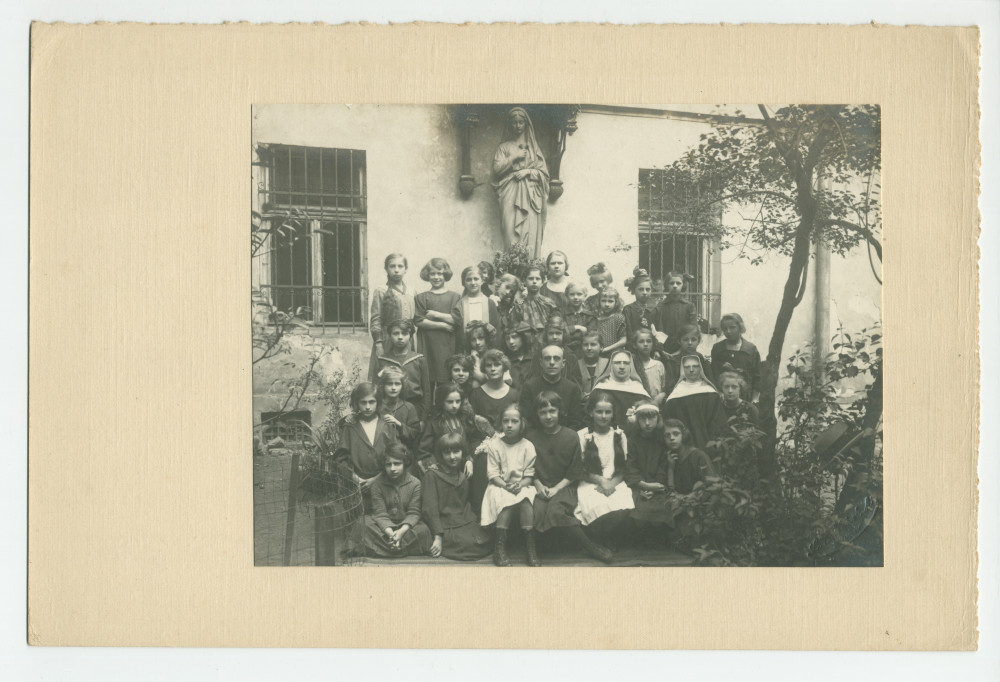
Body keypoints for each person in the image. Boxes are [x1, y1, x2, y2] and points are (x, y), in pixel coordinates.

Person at [526, 392, 613, 562]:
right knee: (536, 511)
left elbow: (575, 470)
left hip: (565, 486)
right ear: (537, 414)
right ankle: (532, 550)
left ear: (560, 412)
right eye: (543, 412)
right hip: (541, 486)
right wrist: (537, 484)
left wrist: (557, 488)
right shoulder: (531, 438)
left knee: (556, 510)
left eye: (552, 411)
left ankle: (590, 546)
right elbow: (529, 468)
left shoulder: (571, 436)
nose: (548, 416)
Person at [478, 404, 540, 566]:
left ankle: (530, 548)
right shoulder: (495, 445)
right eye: (506, 421)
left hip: (522, 485)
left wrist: (520, 484)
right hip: (499, 485)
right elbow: (492, 474)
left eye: (514, 421)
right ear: (500, 424)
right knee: (505, 502)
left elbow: (529, 475)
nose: (510, 425)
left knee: (526, 501)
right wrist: (506, 486)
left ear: (522, 424)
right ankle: (499, 549)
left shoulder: (527, 446)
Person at [421, 433, 493, 561]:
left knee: (485, 540)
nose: (452, 457)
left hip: (463, 521)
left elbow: (464, 505)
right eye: (447, 453)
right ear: (441, 455)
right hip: (444, 525)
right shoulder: (432, 475)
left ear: (462, 452)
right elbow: (429, 509)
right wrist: (438, 536)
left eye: (456, 451)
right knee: (466, 545)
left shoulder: (462, 476)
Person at [468, 349, 521, 514]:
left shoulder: (514, 394)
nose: (492, 369)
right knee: (484, 460)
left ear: (504, 367)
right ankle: (481, 513)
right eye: (488, 365)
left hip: (509, 440)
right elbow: (471, 427)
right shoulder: (476, 394)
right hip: (482, 442)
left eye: (496, 365)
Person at [492, 106, 550, 256]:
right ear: (509, 125)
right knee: (510, 232)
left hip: (531, 196)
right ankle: (511, 268)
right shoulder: (503, 147)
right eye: (514, 122)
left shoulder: (534, 149)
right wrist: (514, 157)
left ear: (526, 124)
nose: (517, 126)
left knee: (529, 234)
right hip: (510, 192)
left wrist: (528, 171)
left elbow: (544, 175)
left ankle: (531, 270)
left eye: (520, 122)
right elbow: (497, 170)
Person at [334, 383, 401, 512]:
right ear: (356, 403)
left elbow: (396, 455)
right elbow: (341, 458)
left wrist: (376, 479)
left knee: (385, 519)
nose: (368, 407)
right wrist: (356, 479)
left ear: (378, 402)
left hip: (384, 482)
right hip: (357, 486)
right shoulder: (349, 426)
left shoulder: (387, 424)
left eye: (372, 402)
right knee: (360, 521)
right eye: (363, 403)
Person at [575, 391, 636, 531]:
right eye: (599, 412)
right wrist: (601, 481)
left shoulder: (619, 435)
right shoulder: (582, 435)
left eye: (608, 412)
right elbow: (581, 469)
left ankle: (610, 536)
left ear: (613, 413)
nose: (603, 416)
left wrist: (611, 484)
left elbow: (625, 466)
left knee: (620, 504)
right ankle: (599, 537)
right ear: (591, 412)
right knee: (597, 504)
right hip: (591, 481)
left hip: (616, 480)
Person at [363, 442, 433, 558]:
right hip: (384, 528)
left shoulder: (415, 483)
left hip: (406, 527)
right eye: (388, 464)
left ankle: (386, 548)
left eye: (397, 464)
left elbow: (414, 513)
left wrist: (400, 533)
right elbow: (379, 514)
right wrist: (391, 534)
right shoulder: (377, 485)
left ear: (405, 464)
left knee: (424, 531)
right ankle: (400, 547)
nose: (392, 469)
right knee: (364, 524)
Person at [624, 401, 674, 540]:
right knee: (637, 508)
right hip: (638, 484)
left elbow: (663, 467)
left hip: (657, 485)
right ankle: (640, 538)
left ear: (658, 419)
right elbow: (630, 466)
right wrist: (643, 485)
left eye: (651, 418)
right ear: (637, 420)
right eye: (642, 418)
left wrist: (654, 487)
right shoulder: (631, 441)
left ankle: (655, 538)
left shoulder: (662, 441)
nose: (647, 423)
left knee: (660, 507)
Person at [662, 355, 727, 449]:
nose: (691, 370)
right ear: (682, 369)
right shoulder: (675, 397)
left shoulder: (711, 393)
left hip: (711, 444)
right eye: (687, 367)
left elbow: (718, 422)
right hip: (686, 448)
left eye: (695, 366)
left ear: (700, 368)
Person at [414, 258, 461, 386]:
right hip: (428, 344)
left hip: (447, 344)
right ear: (427, 275)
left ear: (445, 274)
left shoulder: (455, 297)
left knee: (445, 379)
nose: (436, 277)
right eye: (432, 274)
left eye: (439, 273)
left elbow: (456, 319)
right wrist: (443, 325)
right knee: (427, 380)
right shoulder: (421, 297)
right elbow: (419, 321)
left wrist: (436, 315)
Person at [368, 253, 415, 382]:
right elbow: (376, 319)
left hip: (407, 340)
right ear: (386, 269)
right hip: (388, 340)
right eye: (392, 266)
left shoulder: (412, 291)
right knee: (386, 375)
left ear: (406, 269)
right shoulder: (381, 290)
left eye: (400, 266)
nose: (396, 270)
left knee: (407, 374)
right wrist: (379, 344)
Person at [417, 383, 480, 475]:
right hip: (441, 469)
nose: (455, 406)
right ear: (441, 402)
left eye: (458, 401)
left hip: (462, 469)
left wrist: (469, 460)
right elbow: (424, 452)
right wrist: (434, 467)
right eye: (450, 402)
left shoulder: (463, 419)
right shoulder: (434, 423)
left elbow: (468, 446)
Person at [373, 319, 431, 418]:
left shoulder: (419, 359)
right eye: (396, 333)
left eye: (404, 334)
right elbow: (375, 388)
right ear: (389, 336)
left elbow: (426, 391)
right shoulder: (382, 360)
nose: (400, 337)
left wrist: (423, 418)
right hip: (389, 408)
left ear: (410, 336)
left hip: (414, 407)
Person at [519, 345, 585, 430]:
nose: (552, 362)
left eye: (556, 359)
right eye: (547, 358)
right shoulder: (529, 387)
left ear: (563, 363)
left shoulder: (572, 388)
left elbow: (576, 422)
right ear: (541, 363)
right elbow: (526, 421)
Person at [592, 349, 652, 428]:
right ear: (611, 365)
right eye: (617, 363)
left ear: (631, 365)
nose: (622, 367)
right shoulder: (600, 388)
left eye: (626, 363)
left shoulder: (639, 390)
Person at [710, 313, 761, 402]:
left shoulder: (750, 349)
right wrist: (718, 393)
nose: (728, 331)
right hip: (723, 398)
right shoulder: (717, 349)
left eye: (732, 327)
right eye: (725, 328)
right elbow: (714, 374)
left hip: (745, 398)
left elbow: (757, 377)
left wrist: (755, 398)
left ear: (740, 328)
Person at [453, 265, 501, 354]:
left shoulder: (489, 303)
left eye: (476, 279)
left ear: (482, 281)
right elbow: (457, 334)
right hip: (466, 351)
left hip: (487, 352)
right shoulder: (460, 304)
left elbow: (496, 330)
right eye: (468, 279)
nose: (472, 282)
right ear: (464, 282)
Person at [663, 418, 716, 494]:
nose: (671, 438)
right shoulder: (668, 458)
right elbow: (670, 491)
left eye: (676, 434)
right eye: (667, 435)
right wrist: (671, 468)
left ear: (683, 435)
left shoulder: (698, 456)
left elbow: (711, 484)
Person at [377, 367, 421, 450]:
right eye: (389, 384)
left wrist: (399, 424)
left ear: (402, 386)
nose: (393, 388)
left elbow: (415, 434)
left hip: (402, 452)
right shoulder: (376, 406)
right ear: (383, 386)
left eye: (397, 384)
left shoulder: (409, 407)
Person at [662, 323, 712, 397]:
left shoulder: (704, 362)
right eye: (685, 340)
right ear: (679, 341)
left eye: (693, 339)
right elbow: (670, 388)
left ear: (699, 341)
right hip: (680, 397)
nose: (690, 343)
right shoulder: (673, 362)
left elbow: (711, 383)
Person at [529, 317, 582, 385]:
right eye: (551, 333)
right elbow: (532, 380)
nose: (554, 337)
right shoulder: (539, 355)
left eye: (558, 333)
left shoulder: (571, 356)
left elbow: (577, 383)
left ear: (564, 334)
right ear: (546, 335)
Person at [656, 271, 697, 353]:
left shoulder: (689, 306)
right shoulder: (661, 306)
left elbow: (693, 329)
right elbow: (659, 330)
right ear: (667, 285)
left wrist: (684, 347)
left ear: (683, 285)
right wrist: (660, 350)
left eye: (678, 283)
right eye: (671, 283)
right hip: (666, 348)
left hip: (685, 347)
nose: (675, 286)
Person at [622, 266, 662, 346]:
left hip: (651, 349)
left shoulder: (655, 309)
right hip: (634, 349)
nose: (644, 292)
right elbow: (628, 333)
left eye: (648, 289)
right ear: (633, 290)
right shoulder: (628, 310)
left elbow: (660, 332)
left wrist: (658, 350)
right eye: (641, 289)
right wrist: (632, 350)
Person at [633, 328, 667, 406]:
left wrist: (661, 396)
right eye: (641, 341)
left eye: (648, 341)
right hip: (637, 404)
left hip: (656, 404)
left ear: (653, 343)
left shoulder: (658, 365)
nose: (645, 344)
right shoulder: (632, 364)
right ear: (635, 345)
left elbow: (664, 388)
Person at [522, 264, 559, 333]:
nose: (534, 281)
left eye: (538, 279)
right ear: (524, 281)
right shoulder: (519, 305)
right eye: (530, 278)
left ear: (542, 282)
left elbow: (555, 326)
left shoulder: (549, 303)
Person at [563, 280, 597, 356]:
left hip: (583, 352)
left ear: (585, 296)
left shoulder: (590, 316)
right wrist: (576, 327)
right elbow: (560, 334)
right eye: (572, 294)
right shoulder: (561, 314)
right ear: (566, 296)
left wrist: (568, 331)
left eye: (579, 294)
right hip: (564, 351)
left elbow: (590, 336)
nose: (575, 297)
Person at [576, 331, 609, 403]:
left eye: (593, 344)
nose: (589, 348)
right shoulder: (576, 365)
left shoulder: (608, 364)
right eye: (585, 345)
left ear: (601, 347)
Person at [594, 285, 627, 356]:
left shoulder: (618, 318)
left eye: (610, 301)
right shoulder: (595, 318)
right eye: (603, 301)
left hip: (615, 354)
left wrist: (606, 349)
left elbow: (624, 340)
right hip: (598, 355)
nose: (606, 304)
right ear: (599, 302)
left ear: (616, 302)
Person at [501, 321, 534, 389]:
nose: (511, 342)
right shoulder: (504, 360)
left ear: (522, 338)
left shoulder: (534, 358)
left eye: (514, 337)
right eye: (507, 338)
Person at [540, 250, 571, 314]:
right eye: (553, 263)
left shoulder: (572, 287)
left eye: (560, 263)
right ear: (548, 266)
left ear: (566, 265)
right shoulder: (542, 289)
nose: (556, 266)